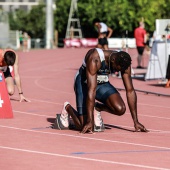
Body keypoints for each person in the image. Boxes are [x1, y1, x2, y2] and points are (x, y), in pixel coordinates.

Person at [54, 48, 148, 134]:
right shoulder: (95, 58)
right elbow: (91, 90)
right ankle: (67, 108)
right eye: (116, 69)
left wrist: (136, 121)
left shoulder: (124, 62)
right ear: (113, 60)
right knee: (82, 125)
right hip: (84, 83)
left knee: (120, 109)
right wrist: (90, 121)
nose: (116, 72)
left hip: (102, 83)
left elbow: (130, 91)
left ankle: (97, 107)